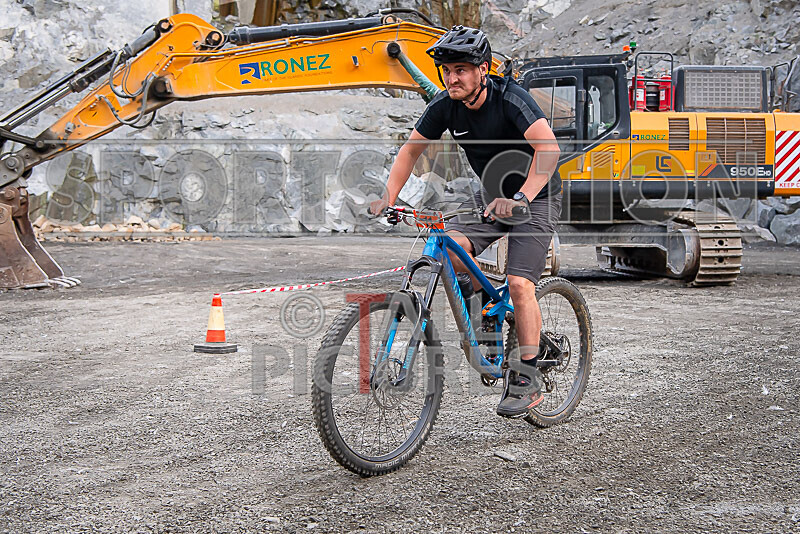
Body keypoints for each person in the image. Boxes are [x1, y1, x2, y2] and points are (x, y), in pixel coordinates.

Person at [369, 25, 562, 418]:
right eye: (446, 69)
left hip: (537, 196)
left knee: (522, 283)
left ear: (483, 69)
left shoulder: (512, 99)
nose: (451, 77)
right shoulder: (446, 104)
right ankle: (490, 318)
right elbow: (409, 153)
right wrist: (388, 199)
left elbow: (549, 148)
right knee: (450, 254)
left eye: (460, 69)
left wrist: (522, 198)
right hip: (491, 196)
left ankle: (526, 376)